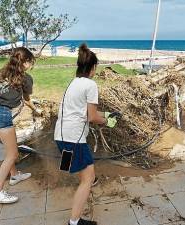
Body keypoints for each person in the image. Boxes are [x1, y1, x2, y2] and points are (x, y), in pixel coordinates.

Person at [54, 43, 118, 225]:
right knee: (88, 179)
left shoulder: (73, 83)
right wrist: (107, 121)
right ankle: (74, 222)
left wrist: (104, 114)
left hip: (61, 135)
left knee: (78, 168)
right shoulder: (91, 85)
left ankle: (73, 174)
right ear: (93, 67)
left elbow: (79, 110)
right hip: (74, 138)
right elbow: (91, 117)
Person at [0, 47, 42, 204]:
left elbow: (0, 93)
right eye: (31, 62)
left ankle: (15, 175)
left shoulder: (2, 72)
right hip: (1, 115)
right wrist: (36, 109)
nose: (31, 65)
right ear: (25, 62)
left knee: (9, 148)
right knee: (12, 155)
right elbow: (27, 99)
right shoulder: (26, 78)